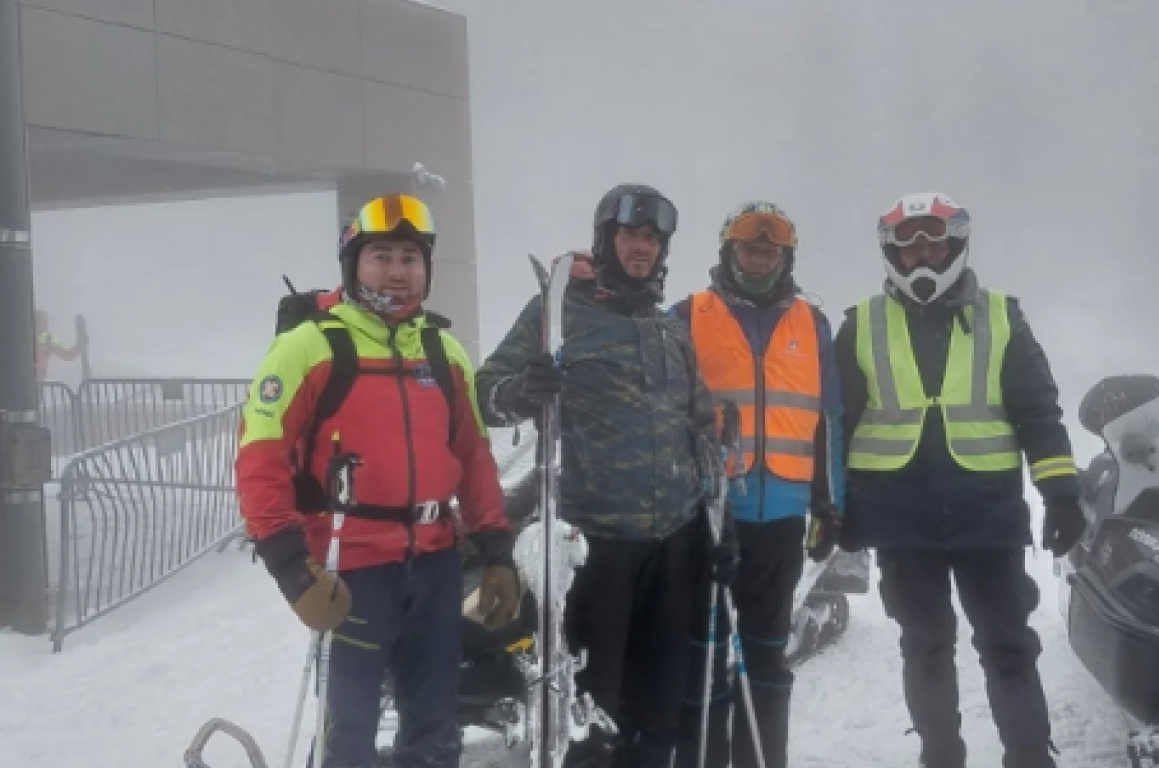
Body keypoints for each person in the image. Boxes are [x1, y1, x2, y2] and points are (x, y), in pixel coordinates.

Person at [236, 193, 520, 768]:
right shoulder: (309, 347)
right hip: (350, 569)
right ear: (353, 264)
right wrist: (292, 569)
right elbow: (258, 460)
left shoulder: (444, 351)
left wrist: (497, 553)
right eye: (381, 256)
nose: (396, 271)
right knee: (350, 732)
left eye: (410, 258)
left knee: (435, 728)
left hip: (435, 566)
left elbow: (473, 457)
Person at [475, 183, 735, 768]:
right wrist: (520, 392)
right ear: (606, 239)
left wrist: (720, 526)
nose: (641, 247)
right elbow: (484, 391)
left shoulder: (669, 331)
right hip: (594, 546)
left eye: (652, 238)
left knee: (659, 707)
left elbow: (701, 430)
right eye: (630, 235)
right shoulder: (560, 310)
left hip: (673, 544)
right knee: (592, 714)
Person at [835, 192, 1087, 768]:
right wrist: (831, 503)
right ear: (892, 251)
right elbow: (837, 423)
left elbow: (1038, 412)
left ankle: (1029, 759)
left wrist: (1062, 493)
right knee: (924, 648)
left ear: (955, 244)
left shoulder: (1003, 315)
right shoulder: (861, 323)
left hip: (987, 515)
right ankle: (939, 758)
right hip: (901, 519)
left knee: (1009, 648)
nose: (923, 253)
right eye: (909, 243)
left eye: (934, 241)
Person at [669, 201, 844, 768]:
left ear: (785, 256)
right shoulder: (689, 314)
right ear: (729, 251)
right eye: (749, 248)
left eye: (770, 250)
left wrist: (830, 503)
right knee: (706, 653)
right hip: (712, 514)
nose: (759, 258)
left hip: (783, 513)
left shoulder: (811, 323)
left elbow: (830, 418)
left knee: (767, 656)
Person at [34, 309, 83, 381]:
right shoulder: (21, 339)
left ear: (45, 324)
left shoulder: (49, 339)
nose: (38, 325)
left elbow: (67, 355)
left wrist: (79, 346)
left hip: (38, 380)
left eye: (41, 322)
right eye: (36, 321)